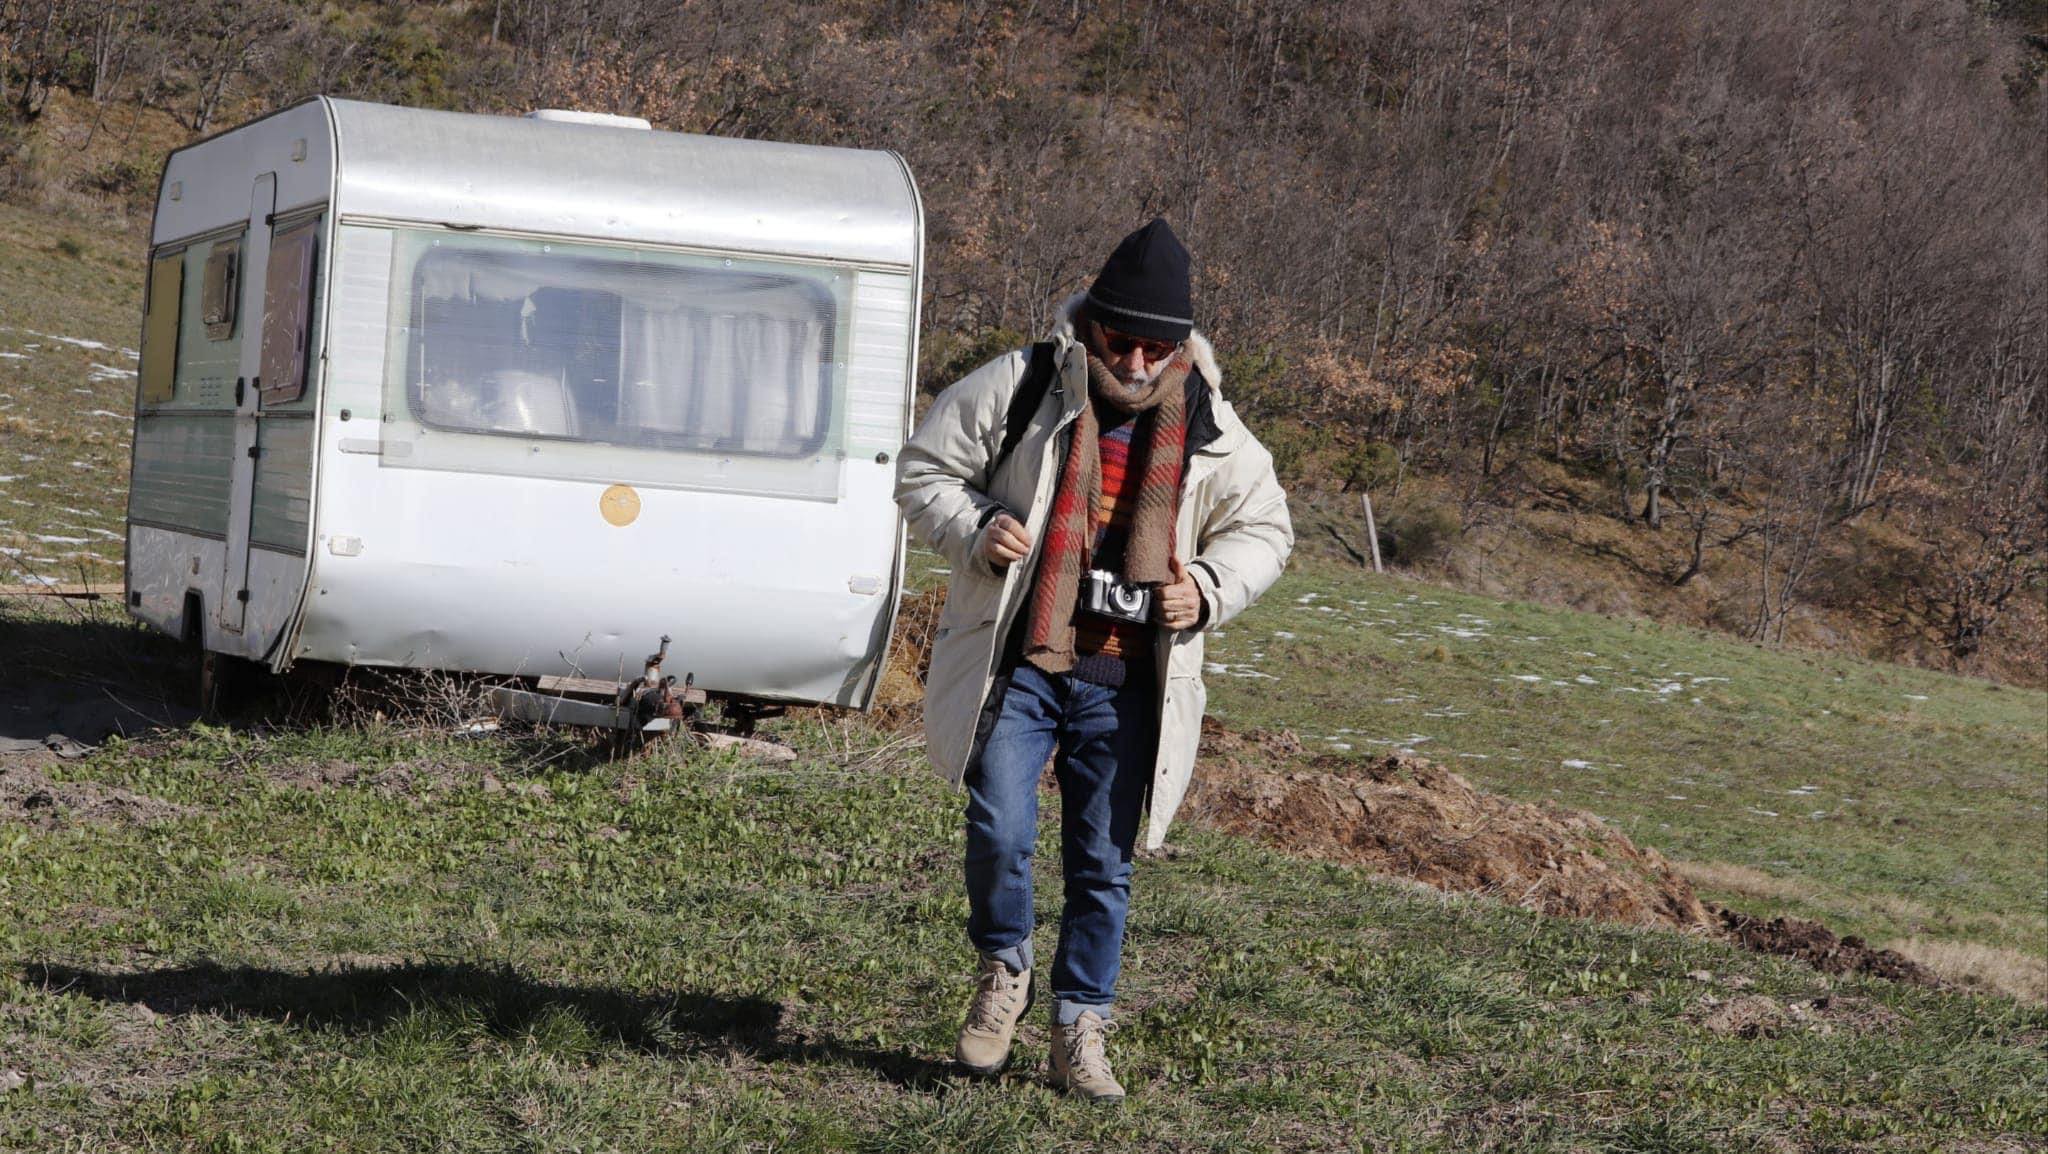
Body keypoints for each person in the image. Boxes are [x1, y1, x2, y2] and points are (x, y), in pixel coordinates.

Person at [894, 218, 1292, 1103]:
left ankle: (1081, 1022)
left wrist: (1211, 588)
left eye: (1160, 346)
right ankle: (1006, 970)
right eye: (1125, 341)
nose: (1141, 363)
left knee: (1102, 862)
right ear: (1093, 323)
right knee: (999, 823)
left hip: (1126, 682)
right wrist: (973, 529)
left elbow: (1267, 528)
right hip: (1025, 661)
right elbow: (922, 471)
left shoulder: (1207, 419)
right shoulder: (1026, 381)